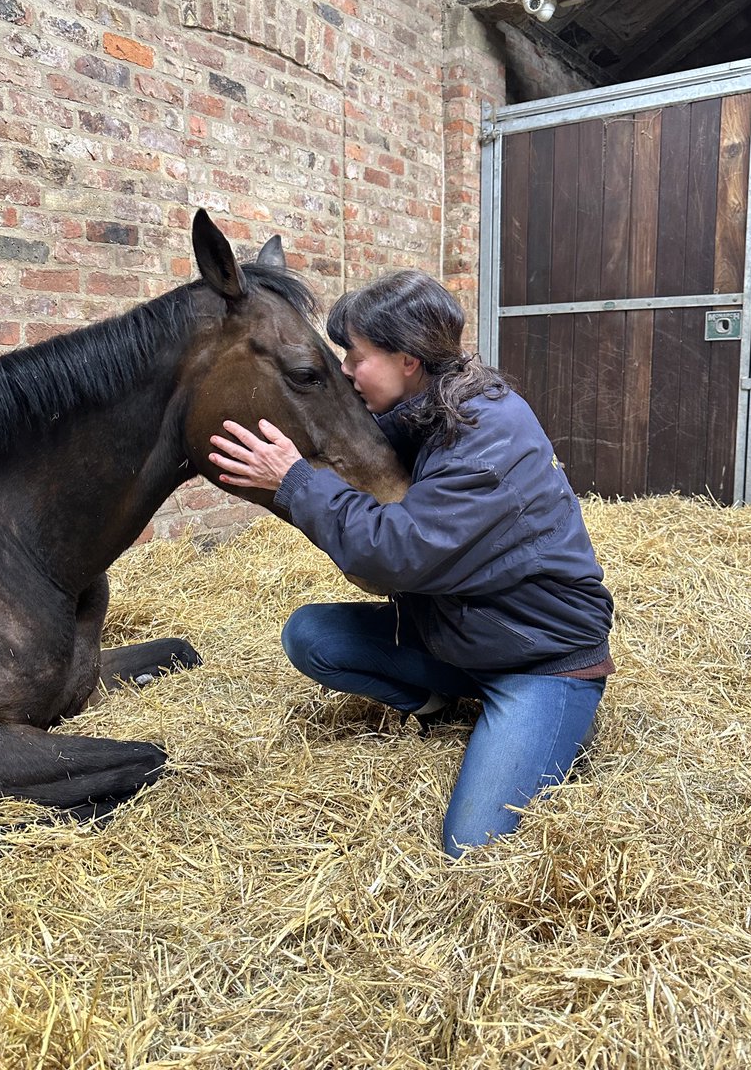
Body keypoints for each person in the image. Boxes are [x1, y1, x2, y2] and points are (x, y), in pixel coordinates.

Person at [209, 270, 614, 858]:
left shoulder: (485, 439)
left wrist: (295, 481)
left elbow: (397, 552)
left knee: (472, 845)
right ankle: (439, 700)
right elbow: (364, 439)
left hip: (541, 657)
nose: (346, 369)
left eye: (356, 355)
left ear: (407, 360)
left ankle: (551, 721)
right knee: (312, 635)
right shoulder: (435, 407)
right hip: (463, 636)